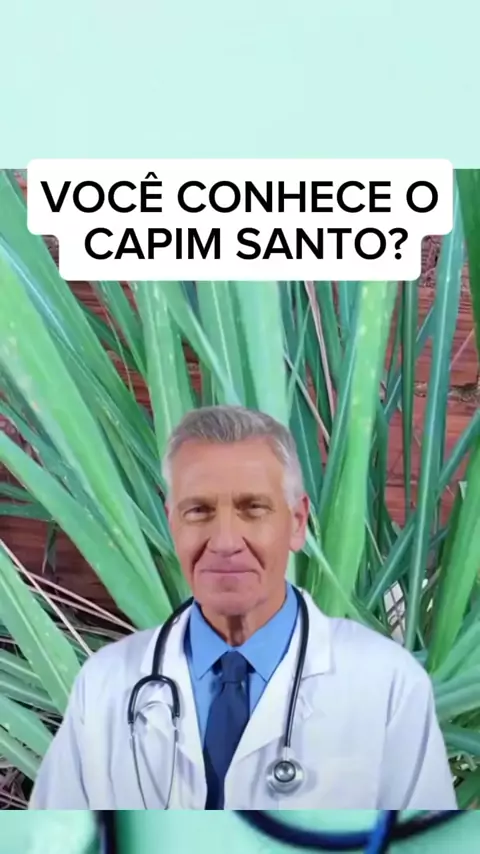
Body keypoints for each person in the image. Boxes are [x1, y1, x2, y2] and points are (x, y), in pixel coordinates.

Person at [29, 405, 458, 810]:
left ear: (297, 522)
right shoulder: (104, 686)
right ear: (172, 523)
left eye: (253, 508)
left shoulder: (389, 686)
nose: (225, 541)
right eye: (199, 511)